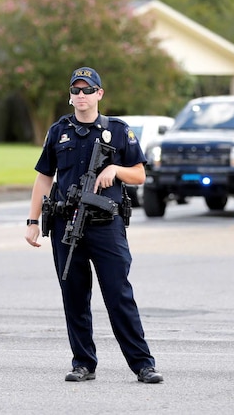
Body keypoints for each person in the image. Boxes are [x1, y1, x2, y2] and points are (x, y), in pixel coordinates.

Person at [24, 66, 164, 384]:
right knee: (74, 295)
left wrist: (115, 169)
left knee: (118, 295)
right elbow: (44, 177)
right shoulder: (59, 130)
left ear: (99, 94)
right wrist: (33, 221)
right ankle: (83, 363)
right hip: (66, 223)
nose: (81, 96)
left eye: (88, 90)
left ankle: (143, 363)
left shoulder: (118, 130)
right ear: (70, 95)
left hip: (106, 224)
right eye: (76, 90)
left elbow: (140, 174)